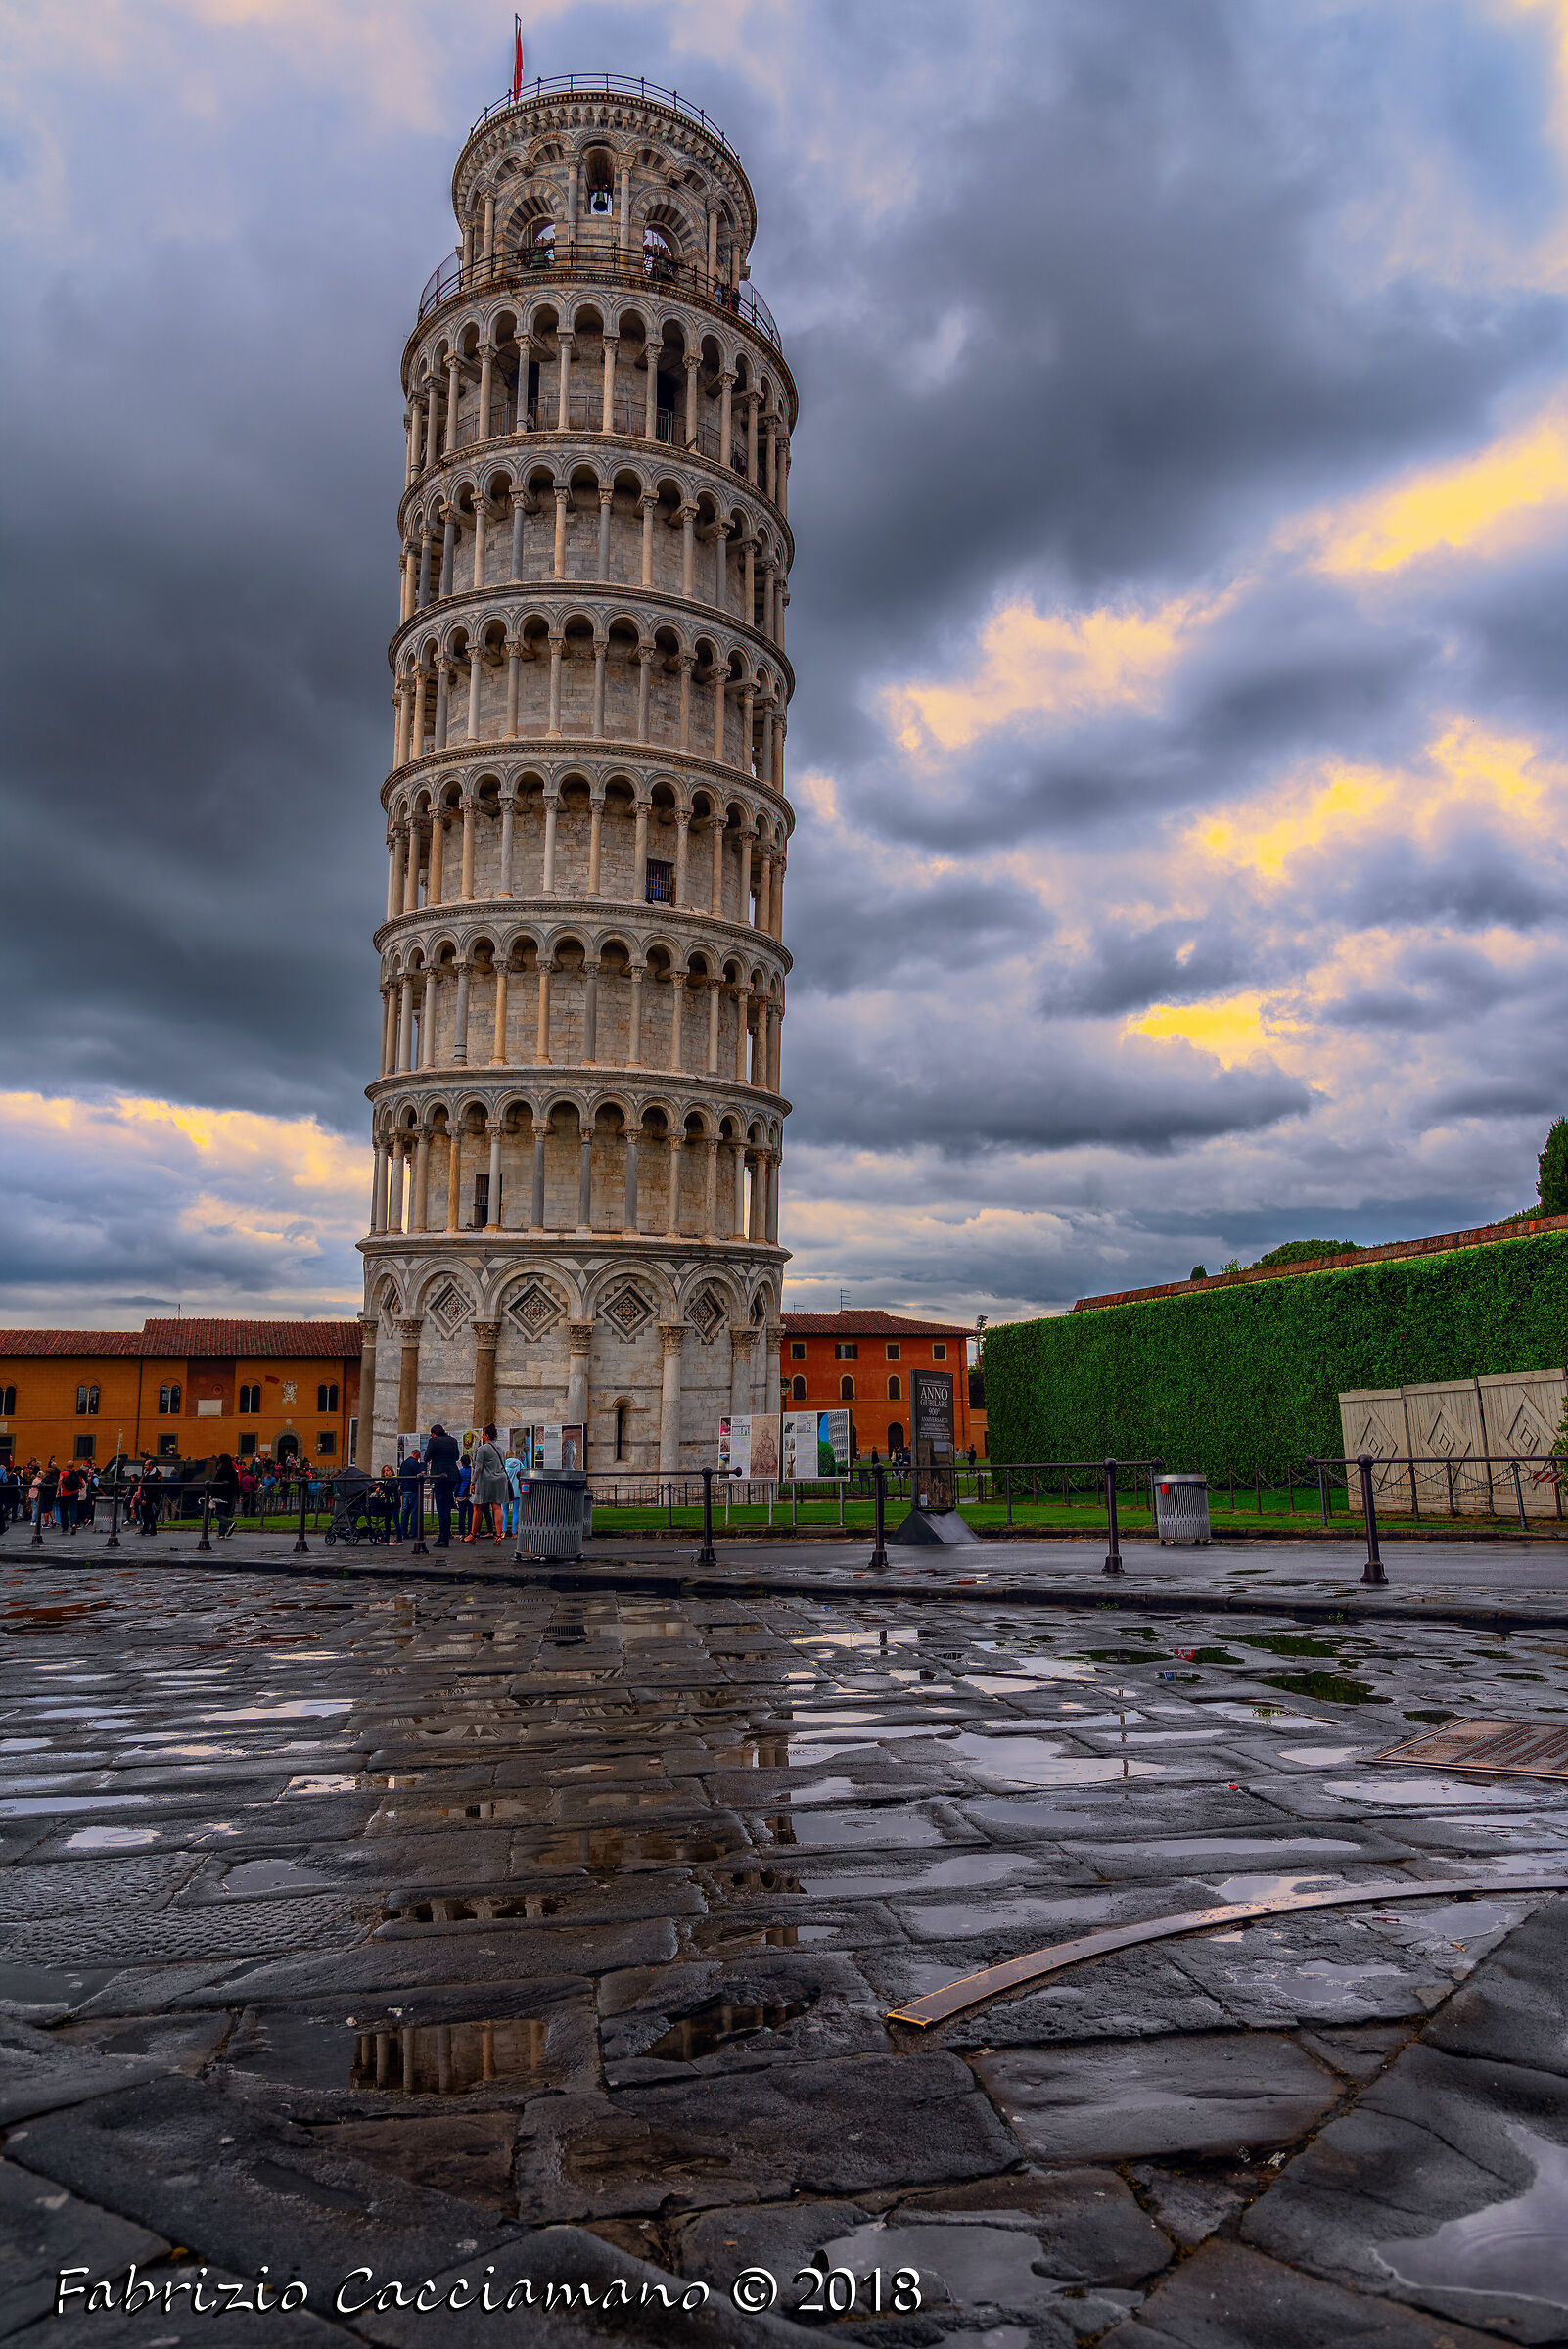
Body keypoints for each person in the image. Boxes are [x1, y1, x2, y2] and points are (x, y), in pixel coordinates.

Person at [466, 1423, 509, 1543]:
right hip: (500, 1480)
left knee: (477, 1506)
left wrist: (472, 1482)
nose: (482, 1436)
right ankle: (499, 1535)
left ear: (487, 1435)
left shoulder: (482, 1449)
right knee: (497, 1507)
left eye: (483, 1434)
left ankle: (473, 1534)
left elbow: (478, 1468)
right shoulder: (501, 1449)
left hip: (486, 1481)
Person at [424, 1421, 460, 1548]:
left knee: (441, 1507)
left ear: (433, 1434)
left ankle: (444, 1538)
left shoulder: (433, 1441)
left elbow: (426, 1458)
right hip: (452, 1476)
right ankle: (444, 1535)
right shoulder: (453, 1440)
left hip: (439, 1476)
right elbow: (457, 1457)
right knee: (447, 1506)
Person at [397, 1447, 423, 1543]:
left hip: (404, 1490)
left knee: (404, 1512)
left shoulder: (404, 1463)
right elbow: (418, 1476)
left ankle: (403, 1532)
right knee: (414, 1511)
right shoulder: (415, 1463)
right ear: (416, 1455)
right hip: (413, 1490)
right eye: (418, 1457)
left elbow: (400, 1476)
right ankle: (413, 1532)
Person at [211, 1451, 240, 1539]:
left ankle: (229, 1523)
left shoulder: (221, 1471)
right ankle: (221, 1533)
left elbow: (215, 1483)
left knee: (218, 1514)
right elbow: (236, 1484)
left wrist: (212, 1495)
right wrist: (237, 1495)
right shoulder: (233, 1472)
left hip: (221, 1495)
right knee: (225, 1514)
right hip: (230, 1495)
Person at [369, 1465, 399, 1544]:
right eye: (384, 1471)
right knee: (387, 1522)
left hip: (394, 1503)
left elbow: (388, 1488)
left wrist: (380, 1485)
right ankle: (386, 1539)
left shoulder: (393, 1480)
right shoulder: (386, 1481)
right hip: (388, 1504)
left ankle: (399, 1539)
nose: (386, 1473)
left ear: (391, 1471)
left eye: (388, 1470)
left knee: (396, 1522)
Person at [504, 1440, 524, 1539]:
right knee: (515, 1512)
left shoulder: (504, 1464)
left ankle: (502, 1531)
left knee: (504, 1512)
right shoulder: (519, 1464)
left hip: (506, 1490)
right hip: (516, 1490)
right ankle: (514, 1532)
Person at [455, 1445, 473, 1539]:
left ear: (462, 1463)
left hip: (461, 1496)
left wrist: (455, 1493)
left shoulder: (460, 1472)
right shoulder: (472, 1471)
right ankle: (470, 1532)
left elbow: (457, 1484)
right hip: (470, 1495)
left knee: (461, 1515)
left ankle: (461, 1533)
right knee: (470, 1515)